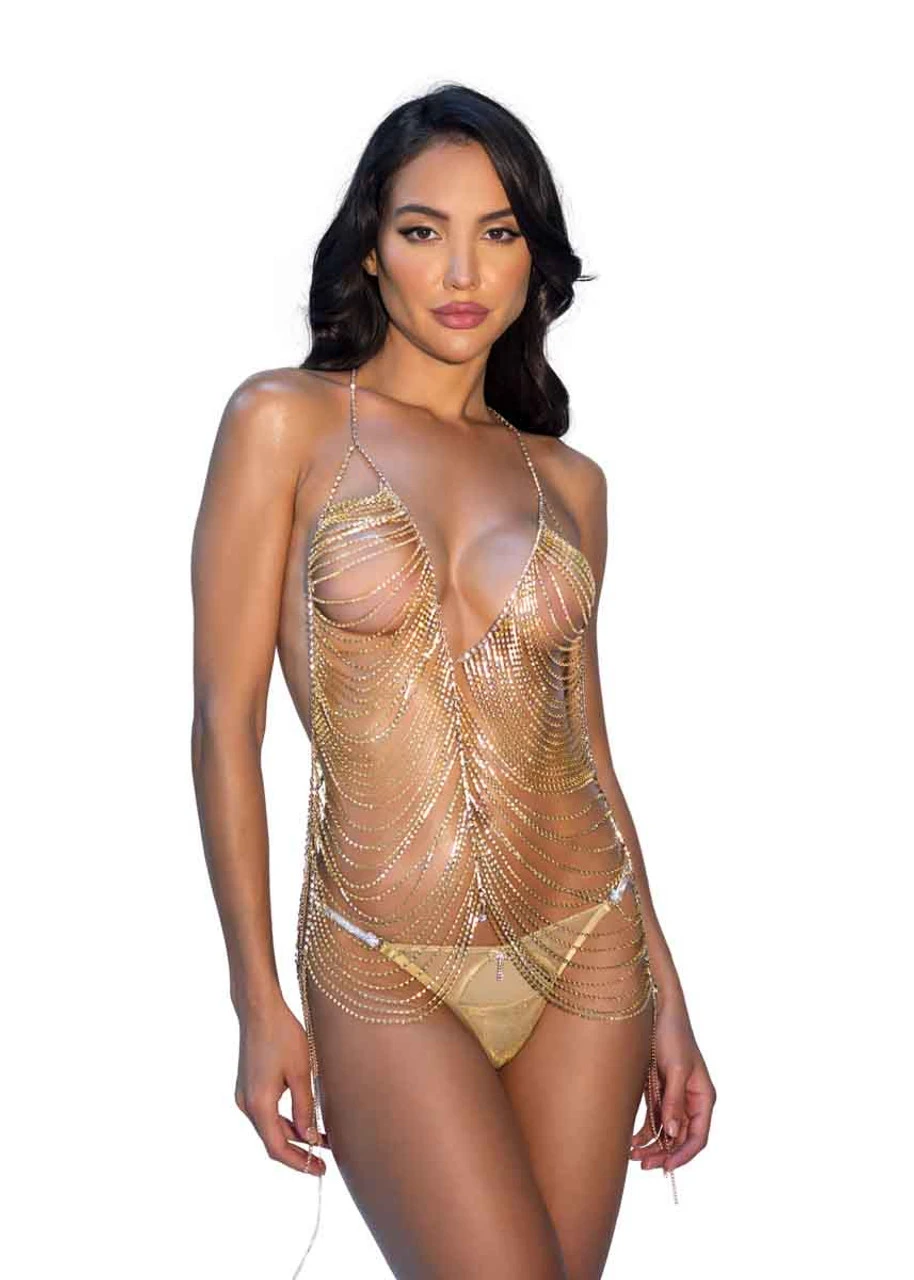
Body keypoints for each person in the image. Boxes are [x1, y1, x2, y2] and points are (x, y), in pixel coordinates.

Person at [191, 82, 716, 1280]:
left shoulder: (567, 481)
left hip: (587, 950)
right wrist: (254, 996)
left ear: (535, 258)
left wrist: (669, 993)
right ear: (371, 249)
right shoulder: (282, 422)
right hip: (380, 954)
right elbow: (225, 722)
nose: (462, 269)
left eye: (499, 230)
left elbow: (585, 751)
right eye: (424, 230)